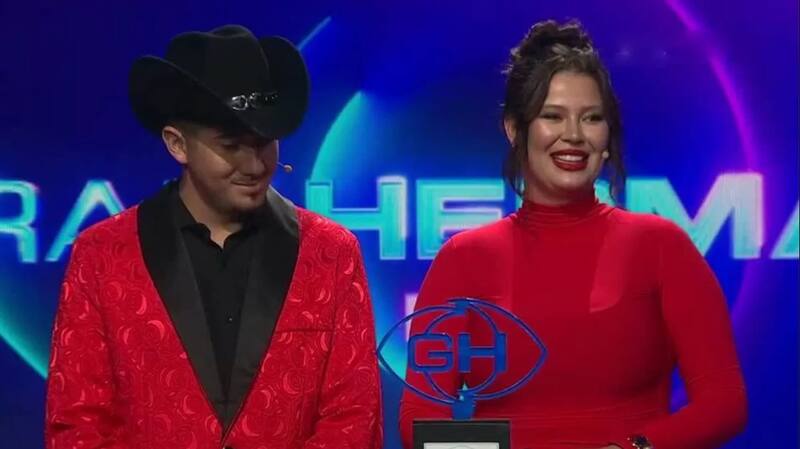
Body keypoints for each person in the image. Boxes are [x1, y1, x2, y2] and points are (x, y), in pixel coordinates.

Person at [399, 20, 746, 449]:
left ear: (607, 137)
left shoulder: (662, 246)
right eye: (553, 116)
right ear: (515, 129)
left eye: (592, 118)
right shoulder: (463, 259)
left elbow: (723, 403)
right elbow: (420, 418)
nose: (574, 136)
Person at [46, 24, 382, 449]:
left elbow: (352, 418)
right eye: (231, 145)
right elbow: (78, 424)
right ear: (177, 144)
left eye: (265, 143)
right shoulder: (102, 255)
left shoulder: (331, 253)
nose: (255, 165)